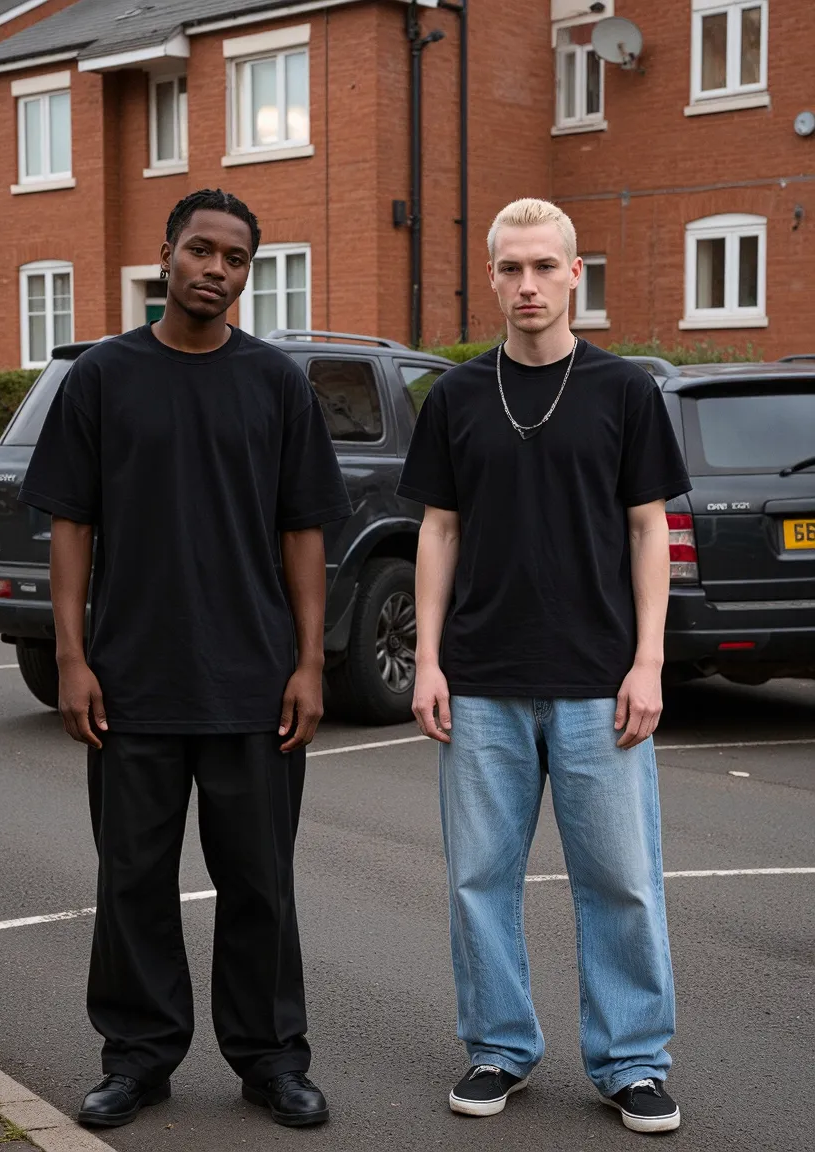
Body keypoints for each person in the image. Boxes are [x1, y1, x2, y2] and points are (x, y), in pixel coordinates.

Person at [19, 189, 351, 1131]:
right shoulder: (103, 379)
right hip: (131, 681)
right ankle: (137, 1058)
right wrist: (74, 659)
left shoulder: (276, 385)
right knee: (131, 883)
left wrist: (309, 664)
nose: (215, 269)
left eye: (235, 258)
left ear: (249, 271)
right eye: (199, 251)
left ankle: (272, 1060)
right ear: (165, 256)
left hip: (253, 684)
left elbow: (303, 534)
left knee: (260, 884)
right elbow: (71, 529)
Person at [397, 198, 690, 1135]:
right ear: (491, 278)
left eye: (544, 268)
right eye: (509, 269)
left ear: (575, 276)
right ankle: (498, 1048)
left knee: (623, 881)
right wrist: (428, 661)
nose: (527, 285)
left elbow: (651, 532)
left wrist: (647, 663)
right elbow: (436, 533)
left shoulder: (623, 392)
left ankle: (634, 1062)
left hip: (600, 682)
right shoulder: (454, 399)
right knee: (479, 880)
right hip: (480, 682)